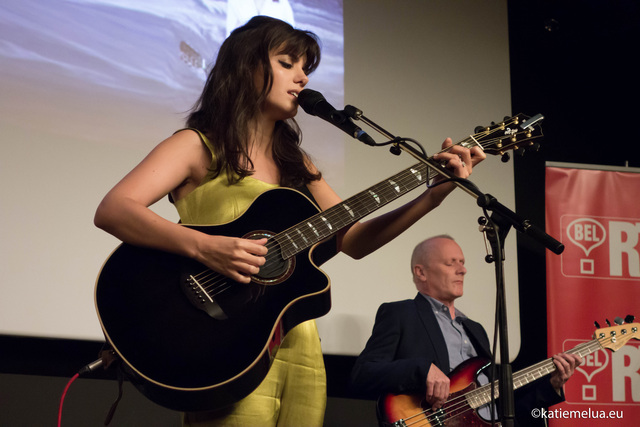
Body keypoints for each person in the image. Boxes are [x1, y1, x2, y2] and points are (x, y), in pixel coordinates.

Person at [94, 16, 485, 427]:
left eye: (306, 69)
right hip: (228, 344)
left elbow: (353, 240)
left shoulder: (298, 164)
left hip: (299, 348)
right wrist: (206, 247)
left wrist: (433, 195)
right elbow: (115, 208)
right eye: (287, 63)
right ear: (247, 67)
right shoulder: (197, 145)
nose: (302, 78)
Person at [350, 235, 583, 426]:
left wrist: (551, 385)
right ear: (421, 272)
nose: (462, 270)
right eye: (451, 263)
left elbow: (500, 407)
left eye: (462, 262)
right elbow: (362, 375)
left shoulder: (476, 330)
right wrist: (422, 370)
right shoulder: (401, 313)